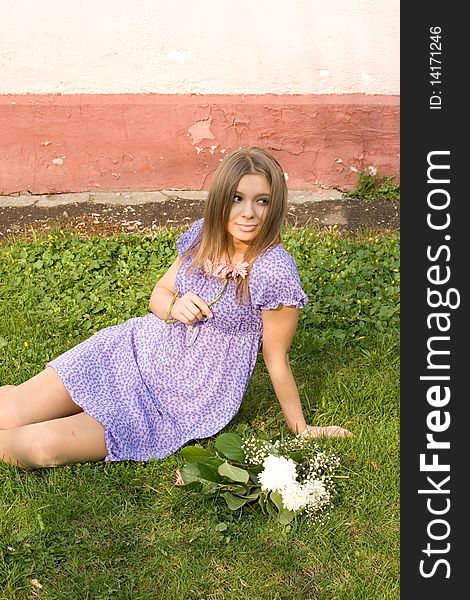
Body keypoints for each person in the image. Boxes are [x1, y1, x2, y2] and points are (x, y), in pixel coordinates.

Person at [0, 147, 351, 468]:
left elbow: (276, 358)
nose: (248, 213)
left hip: (179, 400)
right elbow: (160, 293)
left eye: (262, 201)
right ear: (220, 200)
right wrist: (174, 306)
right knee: (12, 410)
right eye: (237, 198)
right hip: (133, 352)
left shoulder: (273, 270)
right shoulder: (204, 235)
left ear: (274, 206)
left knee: (42, 446)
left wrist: (300, 428)